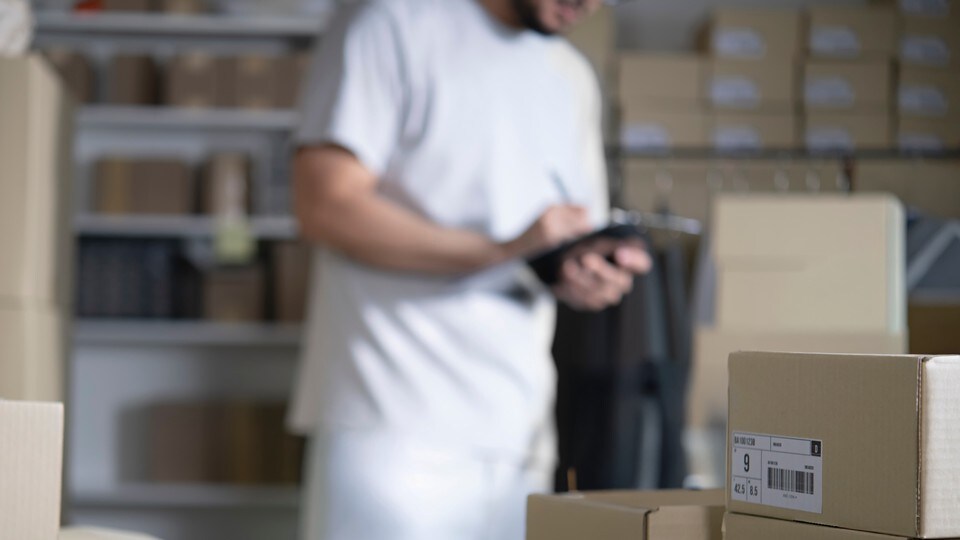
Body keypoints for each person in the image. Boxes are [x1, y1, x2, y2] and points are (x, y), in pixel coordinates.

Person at [289, 0, 651, 538]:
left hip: (518, 438)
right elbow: (325, 205)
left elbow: (558, 239)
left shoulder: (571, 78)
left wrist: (585, 270)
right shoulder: (392, 23)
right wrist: (500, 250)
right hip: (394, 430)